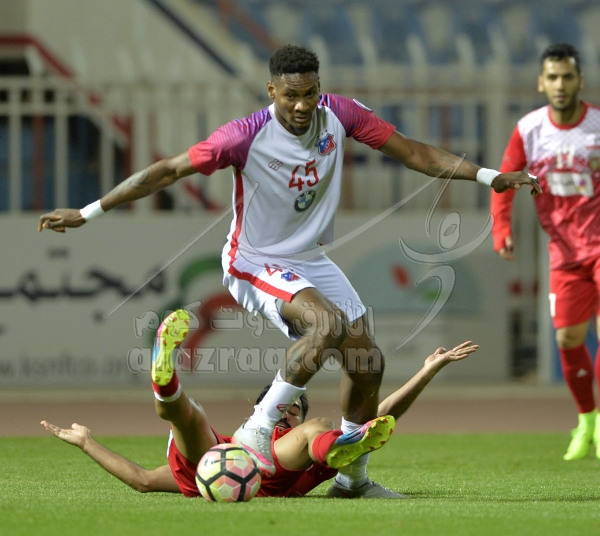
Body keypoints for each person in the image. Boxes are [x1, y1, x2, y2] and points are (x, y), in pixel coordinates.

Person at [38, 44, 538, 494]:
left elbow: (413, 152)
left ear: (320, 89)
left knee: (368, 363)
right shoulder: (242, 136)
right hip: (253, 261)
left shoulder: (339, 115)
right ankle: (259, 427)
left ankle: (352, 480)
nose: (302, 105)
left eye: (310, 94)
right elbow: (167, 170)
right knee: (326, 324)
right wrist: (87, 212)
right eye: (291, 96)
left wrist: (487, 176)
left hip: (309, 259)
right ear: (271, 91)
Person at [42, 309, 479, 499]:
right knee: (190, 418)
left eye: (293, 407)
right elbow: (141, 480)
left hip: (285, 462)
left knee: (321, 428)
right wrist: (87, 442)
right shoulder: (238, 448)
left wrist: (426, 371)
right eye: (285, 406)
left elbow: (379, 414)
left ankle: (347, 443)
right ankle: (165, 380)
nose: (288, 409)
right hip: (229, 459)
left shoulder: (306, 445)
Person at [491, 42, 600, 461]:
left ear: (580, 81)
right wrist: (502, 226)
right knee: (568, 338)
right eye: (553, 77)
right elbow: (505, 179)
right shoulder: (530, 129)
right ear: (541, 82)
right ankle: (586, 419)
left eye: (567, 76)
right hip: (564, 253)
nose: (560, 84)